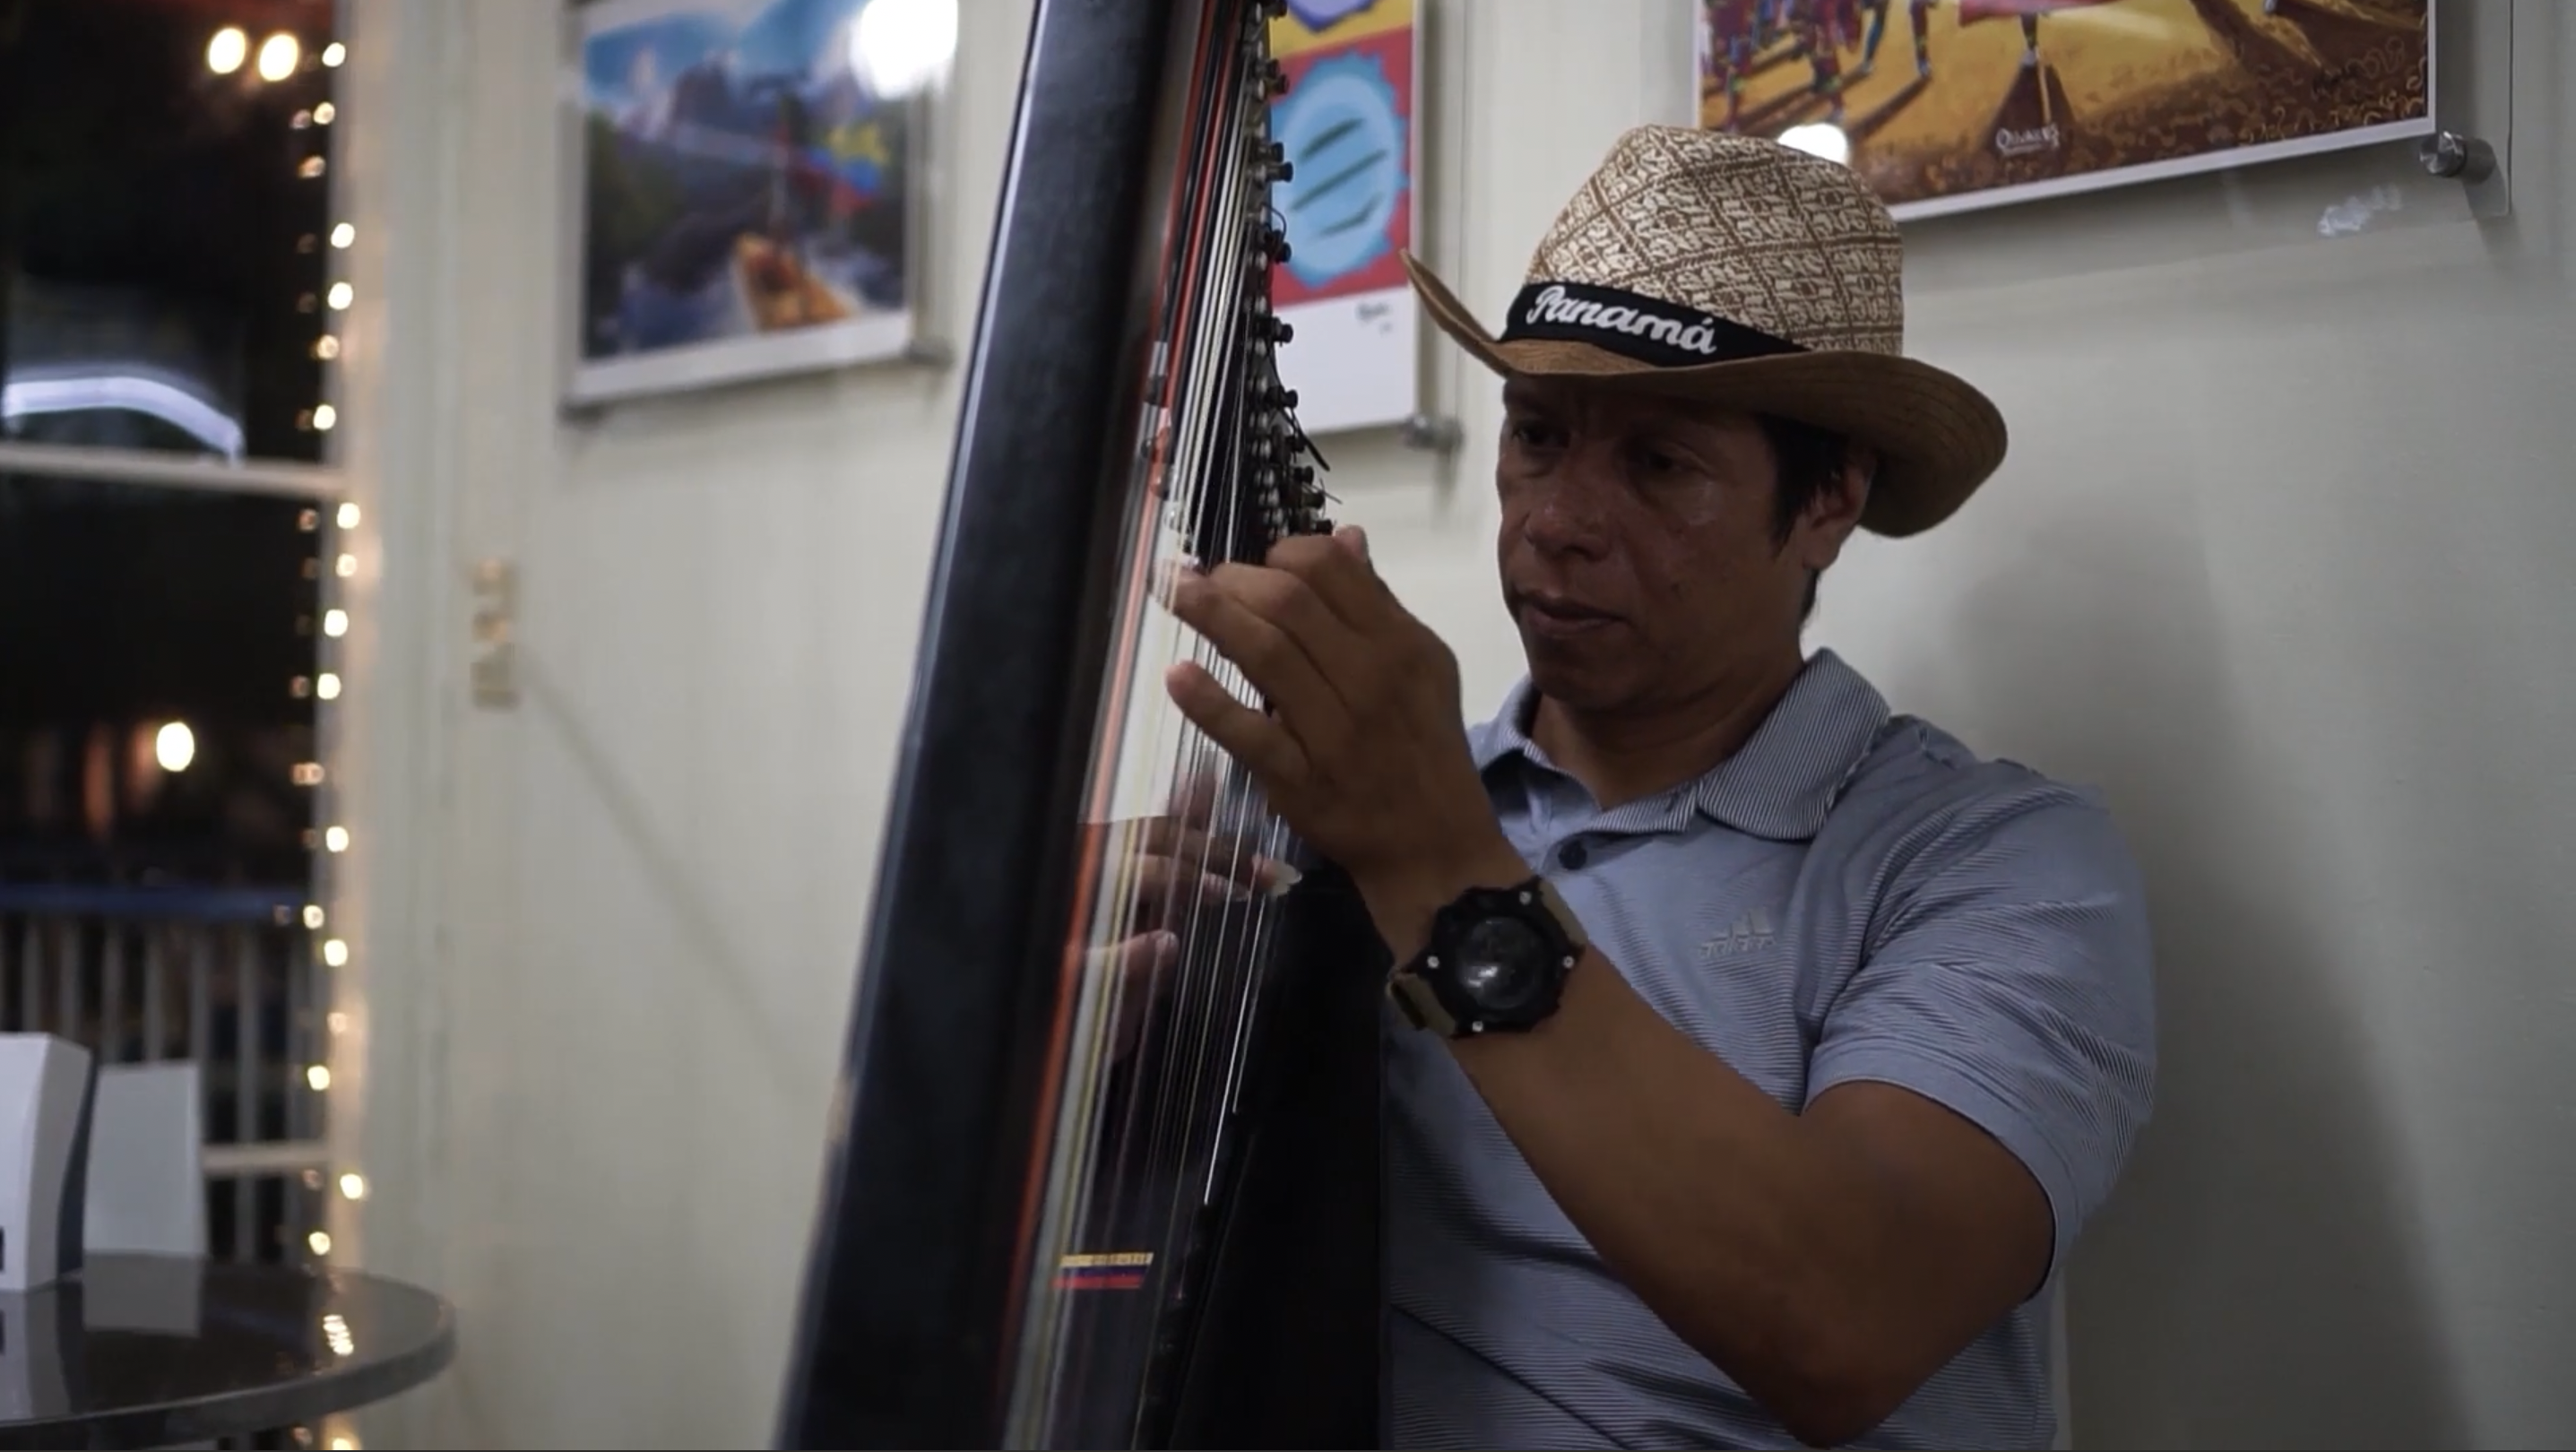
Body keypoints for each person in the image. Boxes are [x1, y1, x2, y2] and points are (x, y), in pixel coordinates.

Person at [1157, 126, 2157, 1448]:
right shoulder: (1349, 809)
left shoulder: (1997, 863)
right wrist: (1058, 997)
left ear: (1825, 503)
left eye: (1658, 464)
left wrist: (1443, 873)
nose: (1556, 518)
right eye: (1539, 435)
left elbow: (1848, 1319)